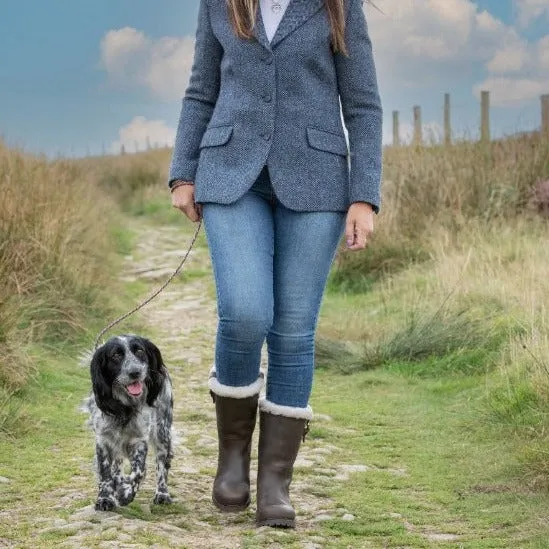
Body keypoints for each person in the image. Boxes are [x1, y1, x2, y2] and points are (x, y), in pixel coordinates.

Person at [168, 0, 382, 529]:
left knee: (291, 332)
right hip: (229, 171)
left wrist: (365, 196)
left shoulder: (339, 6)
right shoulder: (220, 3)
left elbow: (363, 105)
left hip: (317, 179)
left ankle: (274, 486)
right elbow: (201, 88)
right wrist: (182, 172)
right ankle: (233, 457)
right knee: (243, 313)